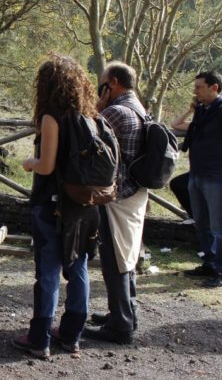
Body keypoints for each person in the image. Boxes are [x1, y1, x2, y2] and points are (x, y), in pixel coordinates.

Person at [12, 54, 98, 359]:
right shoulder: (88, 116)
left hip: (52, 205)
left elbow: (47, 166)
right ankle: (72, 334)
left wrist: (29, 162)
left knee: (48, 271)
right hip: (84, 206)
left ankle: (39, 339)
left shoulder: (52, 117)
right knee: (79, 268)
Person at [84, 61, 148, 345]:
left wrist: (97, 104)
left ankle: (120, 325)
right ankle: (124, 314)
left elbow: (87, 130)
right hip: (134, 192)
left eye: (103, 83)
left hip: (117, 196)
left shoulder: (117, 111)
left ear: (114, 84)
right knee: (127, 257)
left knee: (115, 259)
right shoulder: (138, 107)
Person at [179, 71, 222, 288]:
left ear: (214, 87)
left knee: (220, 226)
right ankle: (210, 263)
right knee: (202, 223)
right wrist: (191, 109)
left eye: (199, 87)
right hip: (198, 173)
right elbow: (177, 125)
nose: (195, 91)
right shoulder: (203, 111)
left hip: (218, 175)